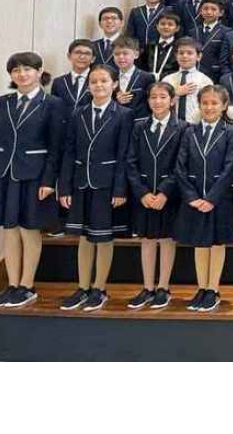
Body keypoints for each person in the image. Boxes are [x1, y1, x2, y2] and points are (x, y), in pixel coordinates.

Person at [0, 52, 66, 308]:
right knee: (9, 231)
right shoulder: (3, 102)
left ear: (39, 72)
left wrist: (49, 181)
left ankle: (27, 286)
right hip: (2, 173)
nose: (22, 74)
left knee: (29, 230)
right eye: (16, 70)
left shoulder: (53, 103)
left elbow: (56, 147)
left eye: (27, 69)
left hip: (35, 175)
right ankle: (12, 284)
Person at [58, 65, 132, 312]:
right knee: (84, 237)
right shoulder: (78, 113)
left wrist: (120, 189)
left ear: (114, 84)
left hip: (107, 185)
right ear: (88, 85)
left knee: (103, 237)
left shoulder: (124, 115)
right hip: (81, 182)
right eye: (93, 81)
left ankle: (99, 288)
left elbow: (124, 154)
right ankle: (82, 287)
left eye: (104, 81)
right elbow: (69, 151)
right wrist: (64, 187)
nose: (98, 85)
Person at [174, 84, 233, 312]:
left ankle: (213, 289)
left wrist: (211, 198)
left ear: (224, 106)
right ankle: (201, 287)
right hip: (194, 198)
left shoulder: (231, 132)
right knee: (199, 243)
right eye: (205, 103)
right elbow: (180, 166)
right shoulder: (189, 132)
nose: (209, 107)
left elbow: (231, 167)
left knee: (217, 243)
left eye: (214, 103)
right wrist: (191, 197)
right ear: (199, 105)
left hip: (218, 199)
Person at [125, 82, 187, 310]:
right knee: (147, 239)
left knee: (167, 239)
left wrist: (164, 192)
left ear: (172, 100)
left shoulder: (183, 128)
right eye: (153, 97)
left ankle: (163, 287)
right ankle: (148, 287)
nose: (157, 101)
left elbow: (181, 164)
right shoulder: (139, 126)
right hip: (144, 194)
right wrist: (141, 192)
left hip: (168, 195)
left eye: (162, 97)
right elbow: (130, 162)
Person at [162, 37, 213, 123]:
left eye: (190, 53)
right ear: (176, 56)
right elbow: (160, 105)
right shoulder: (167, 80)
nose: (185, 56)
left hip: (195, 125)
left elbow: (209, 107)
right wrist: (176, 93)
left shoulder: (205, 81)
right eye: (181, 53)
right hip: (171, 125)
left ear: (199, 56)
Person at [112, 36, 155, 121]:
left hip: (139, 121)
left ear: (136, 55)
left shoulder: (147, 77)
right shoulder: (111, 76)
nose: (121, 57)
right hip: (116, 121)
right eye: (117, 54)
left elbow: (151, 101)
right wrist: (116, 101)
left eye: (125, 53)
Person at [51, 39, 94, 115]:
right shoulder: (59, 82)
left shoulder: (98, 81)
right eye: (77, 52)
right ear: (69, 56)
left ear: (93, 59)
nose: (82, 57)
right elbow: (53, 108)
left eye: (87, 53)